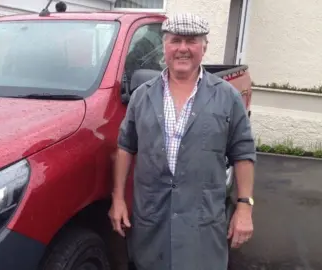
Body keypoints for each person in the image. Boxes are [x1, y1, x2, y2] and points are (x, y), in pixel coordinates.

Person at [108, 13, 256, 270]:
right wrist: (118, 198)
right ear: (164, 46)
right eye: (176, 40)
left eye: (192, 41)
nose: (183, 49)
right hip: (151, 221)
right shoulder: (142, 96)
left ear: (204, 46)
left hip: (202, 223)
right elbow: (125, 147)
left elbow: (243, 153)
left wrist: (244, 207)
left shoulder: (227, 97)